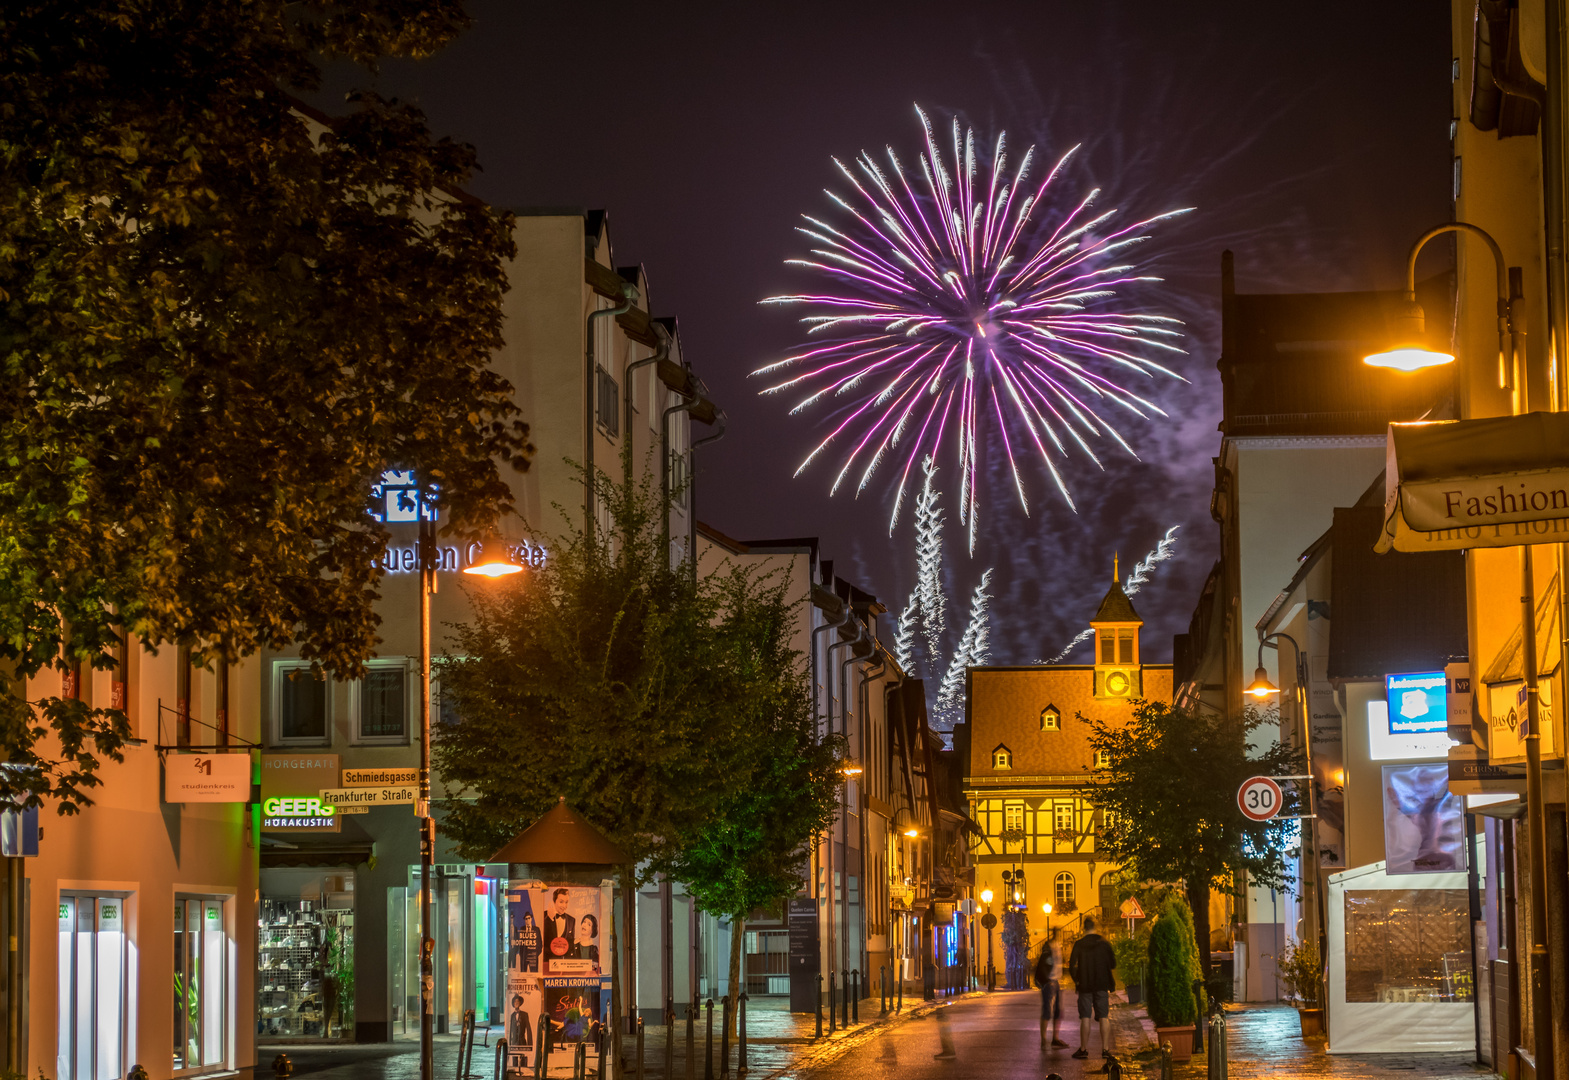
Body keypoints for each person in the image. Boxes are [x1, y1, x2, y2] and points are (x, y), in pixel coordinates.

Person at [1067, 917, 1116, 1060]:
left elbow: (1071, 966)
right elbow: (1113, 964)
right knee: (1104, 1016)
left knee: (1085, 1017)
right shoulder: (1104, 943)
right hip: (1102, 984)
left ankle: (1083, 1049)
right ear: (1095, 927)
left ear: (1084, 928)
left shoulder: (1079, 944)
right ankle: (1105, 1049)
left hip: (1085, 985)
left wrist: (1077, 980)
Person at [1033, 929, 1068, 1050]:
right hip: (1049, 982)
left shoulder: (1057, 946)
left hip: (1056, 981)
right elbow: (1044, 964)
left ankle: (1055, 1038)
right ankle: (1044, 1040)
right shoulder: (1048, 947)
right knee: (1047, 1010)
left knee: (1058, 1011)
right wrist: (1046, 980)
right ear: (1055, 934)